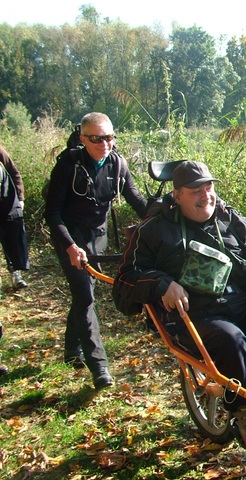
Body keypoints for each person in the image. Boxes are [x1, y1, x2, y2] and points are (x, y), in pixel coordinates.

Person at [112, 160, 246, 455]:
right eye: (195, 190)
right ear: (177, 195)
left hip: (243, 301)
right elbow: (124, 281)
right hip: (196, 313)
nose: (205, 196)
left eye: (209, 187)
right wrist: (162, 284)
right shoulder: (154, 230)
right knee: (229, 338)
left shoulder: (231, 218)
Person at [44, 112, 148, 390]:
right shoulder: (68, 166)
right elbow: (52, 213)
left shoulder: (117, 164)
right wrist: (69, 246)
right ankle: (99, 366)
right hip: (70, 235)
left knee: (83, 292)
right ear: (83, 139)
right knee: (85, 295)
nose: (104, 144)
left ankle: (70, 350)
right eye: (97, 138)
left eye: (109, 137)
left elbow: (135, 198)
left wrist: (164, 215)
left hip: (97, 236)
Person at [0, 145, 29, 289]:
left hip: (5, 201)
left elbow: (13, 172)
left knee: (12, 238)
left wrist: (20, 198)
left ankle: (16, 276)